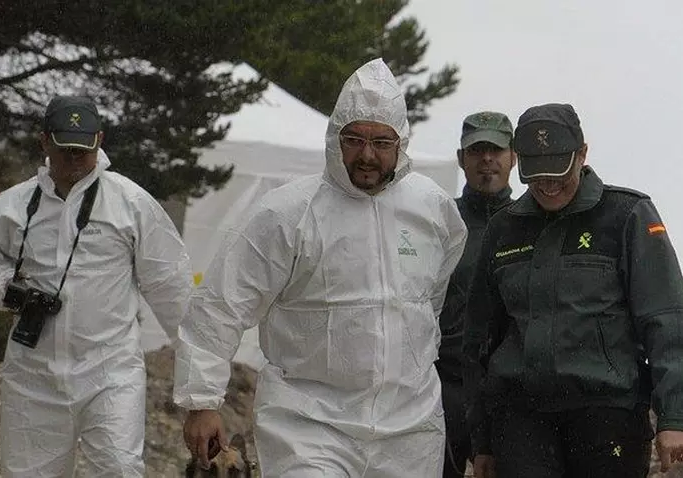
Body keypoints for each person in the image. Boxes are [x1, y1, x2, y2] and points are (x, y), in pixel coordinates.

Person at [173, 58, 468, 478]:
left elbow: (431, 296)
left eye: (382, 142)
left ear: (401, 143)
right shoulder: (287, 212)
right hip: (308, 425)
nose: (367, 155)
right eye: (355, 139)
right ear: (334, 137)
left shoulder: (432, 208)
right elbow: (222, 303)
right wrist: (202, 401)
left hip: (409, 429)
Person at [0, 95, 193, 477]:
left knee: (119, 469)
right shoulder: (14, 206)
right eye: (65, 149)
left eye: (83, 150)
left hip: (110, 372)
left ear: (100, 141)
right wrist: (8, 289)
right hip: (33, 376)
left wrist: (201, 393)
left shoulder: (131, 204)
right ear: (44, 141)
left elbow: (174, 291)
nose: (75, 159)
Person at [463, 103, 683, 478]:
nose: (548, 185)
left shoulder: (628, 215)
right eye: (537, 175)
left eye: (558, 173)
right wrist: (481, 438)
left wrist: (674, 416)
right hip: (521, 420)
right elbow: (480, 338)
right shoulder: (503, 227)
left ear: (582, 154)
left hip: (608, 415)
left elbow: (666, 320)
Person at [436, 111, 516, 478]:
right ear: (460, 158)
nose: (487, 159)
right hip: (445, 386)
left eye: (496, 150)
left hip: (510, 392)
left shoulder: (532, 222)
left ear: (514, 157)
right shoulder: (439, 220)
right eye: (476, 150)